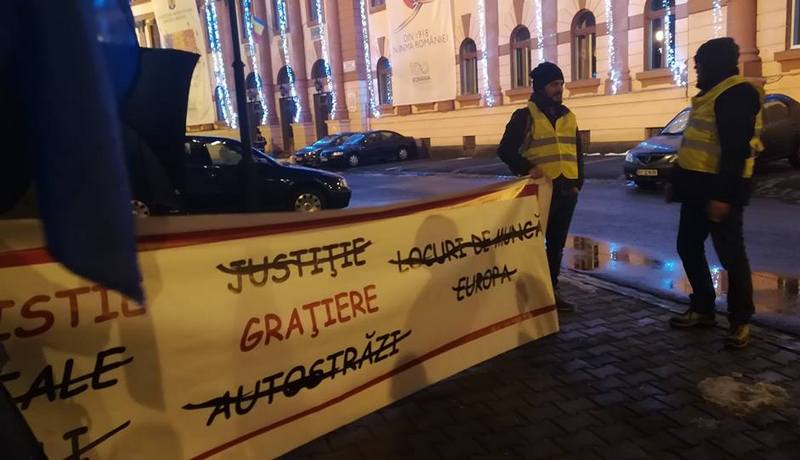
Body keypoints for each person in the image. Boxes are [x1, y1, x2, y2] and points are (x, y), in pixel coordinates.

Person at [667, 37, 762, 349]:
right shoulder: (711, 94)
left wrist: (723, 197)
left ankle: (740, 320)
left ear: (714, 64)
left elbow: (735, 151)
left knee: (731, 257)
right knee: (688, 246)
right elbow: (697, 145)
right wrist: (677, 181)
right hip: (696, 190)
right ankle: (703, 307)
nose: (696, 70)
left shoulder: (736, 94)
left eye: (699, 64)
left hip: (720, 191)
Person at [497, 62, 584, 312]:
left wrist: (577, 184)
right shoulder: (525, 116)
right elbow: (505, 150)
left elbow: (577, 152)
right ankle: (526, 293)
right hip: (539, 192)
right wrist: (527, 167)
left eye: (561, 84)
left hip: (566, 192)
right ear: (541, 87)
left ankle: (550, 292)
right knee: (532, 245)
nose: (559, 89)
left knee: (556, 246)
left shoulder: (568, 116)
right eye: (554, 84)